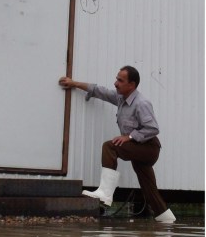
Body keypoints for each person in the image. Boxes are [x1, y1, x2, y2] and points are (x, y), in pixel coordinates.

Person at [58, 66, 175, 223]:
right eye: (116, 79)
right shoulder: (121, 98)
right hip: (139, 149)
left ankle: (105, 193)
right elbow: (100, 91)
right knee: (149, 189)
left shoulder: (141, 103)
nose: (115, 83)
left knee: (110, 146)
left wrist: (129, 136)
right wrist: (74, 83)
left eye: (120, 80)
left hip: (149, 148)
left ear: (131, 85)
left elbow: (153, 128)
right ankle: (168, 222)